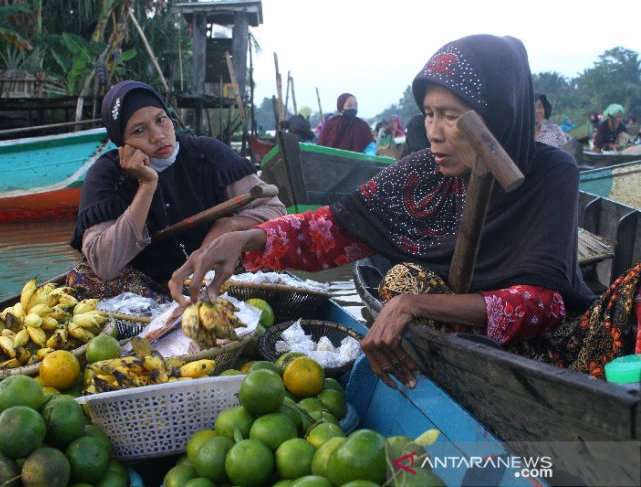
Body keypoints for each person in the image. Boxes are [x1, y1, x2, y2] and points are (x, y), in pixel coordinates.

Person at [170, 35, 641, 390]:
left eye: (452, 115)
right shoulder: (420, 173)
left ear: (500, 115)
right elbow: (333, 229)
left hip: (558, 344)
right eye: (429, 113)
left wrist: (412, 306)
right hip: (464, 335)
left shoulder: (548, 171)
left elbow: (546, 306)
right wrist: (244, 239)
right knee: (400, 280)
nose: (434, 131)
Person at [67, 80, 286, 298]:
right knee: (83, 278)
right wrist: (146, 186)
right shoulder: (107, 175)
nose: (157, 135)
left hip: (216, 275)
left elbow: (276, 212)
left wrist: (230, 224)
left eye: (161, 120)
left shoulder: (207, 153)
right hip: (149, 288)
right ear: (122, 143)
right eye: (139, 130)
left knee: (272, 254)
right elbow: (104, 264)